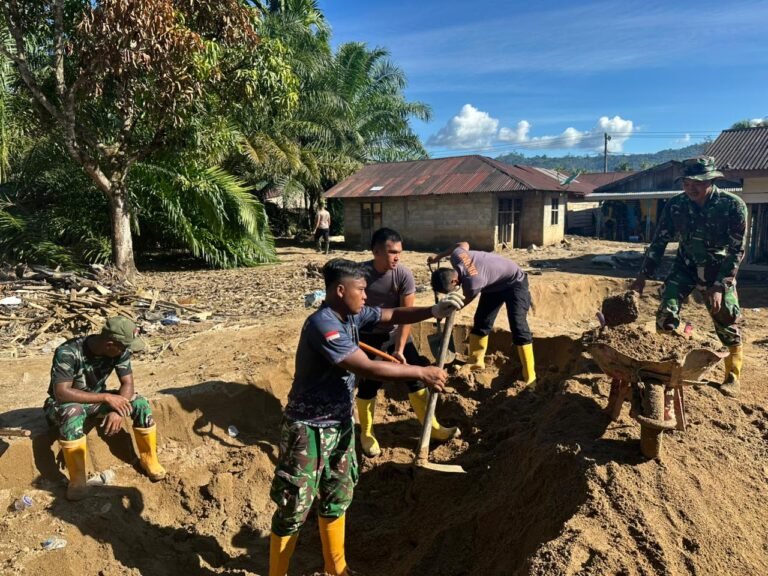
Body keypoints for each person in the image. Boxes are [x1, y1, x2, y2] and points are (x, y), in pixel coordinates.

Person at [269, 258, 463, 576]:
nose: (366, 297)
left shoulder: (353, 315)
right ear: (340, 290)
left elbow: (392, 314)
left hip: (341, 424)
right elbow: (365, 366)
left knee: (337, 495)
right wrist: (420, 371)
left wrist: (433, 311)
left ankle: (337, 568)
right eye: (361, 290)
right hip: (308, 430)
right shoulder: (324, 325)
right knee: (294, 507)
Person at [631, 156, 748, 397]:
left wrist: (719, 286)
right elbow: (659, 241)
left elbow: (737, 250)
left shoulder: (732, 205)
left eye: (698, 182)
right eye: (686, 182)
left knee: (725, 319)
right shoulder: (676, 205)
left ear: (712, 180)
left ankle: (732, 376)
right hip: (685, 267)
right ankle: (668, 364)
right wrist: (642, 277)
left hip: (718, 270)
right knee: (666, 311)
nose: (691, 187)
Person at [356, 228, 458, 458]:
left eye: (399, 252)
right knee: (369, 383)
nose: (397, 257)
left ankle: (432, 428)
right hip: (368, 337)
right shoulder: (360, 275)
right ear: (376, 252)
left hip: (396, 332)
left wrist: (400, 348)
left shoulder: (403, 275)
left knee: (416, 375)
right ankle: (367, 433)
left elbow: (407, 314)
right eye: (391, 252)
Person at [44, 316, 166, 501]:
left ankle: (149, 459)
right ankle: (77, 480)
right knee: (73, 411)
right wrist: (106, 397)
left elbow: (127, 384)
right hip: (63, 404)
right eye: (123, 347)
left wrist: (118, 410)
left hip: (96, 400)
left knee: (140, 403)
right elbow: (61, 393)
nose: (126, 351)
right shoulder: (68, 352)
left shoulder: (120, 351)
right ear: (110, 344)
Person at [428, 242, 536, 384]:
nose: (451, 293)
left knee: (518, 325)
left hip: (515, 283)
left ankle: (530, 377)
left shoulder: (473, 283)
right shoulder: (457, 256)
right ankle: (476, 361)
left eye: (450, 291)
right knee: (481, 321)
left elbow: (462, 303)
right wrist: (438, 257)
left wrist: (446, 310)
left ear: (455, 281)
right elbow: (462, 244)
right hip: (493, 285)